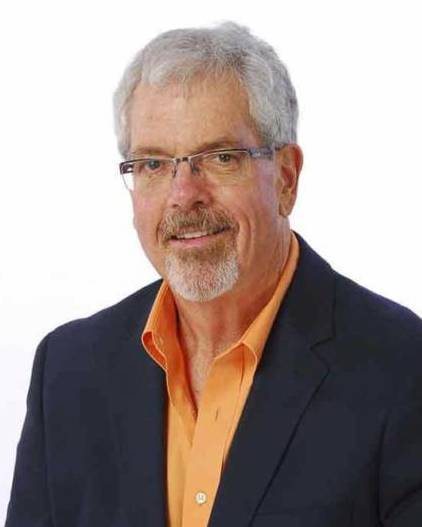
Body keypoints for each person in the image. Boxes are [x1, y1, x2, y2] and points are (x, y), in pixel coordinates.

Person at [5, 21, 422, 527]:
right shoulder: (68, 373)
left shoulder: (402, 370)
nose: (184, 194)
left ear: (286, 178)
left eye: (221, 157)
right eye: (154, 165)